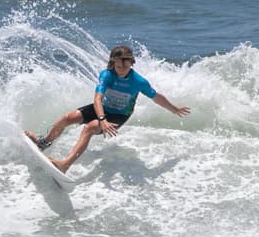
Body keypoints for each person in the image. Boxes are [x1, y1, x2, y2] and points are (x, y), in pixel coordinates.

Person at [25, 45, 191, 173]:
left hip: (119, 115)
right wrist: (102, 119)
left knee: (89, 128)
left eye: (125, 67)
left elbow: (156, 97)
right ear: (113, 64)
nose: (121, 70)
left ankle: (65, 165)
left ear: (132, 63)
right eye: (118, 67)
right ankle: (43, 143)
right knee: (68, 118)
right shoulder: (107, 75)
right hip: (102, 109)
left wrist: (174, 109)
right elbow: (97, 99)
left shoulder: (138, 81)